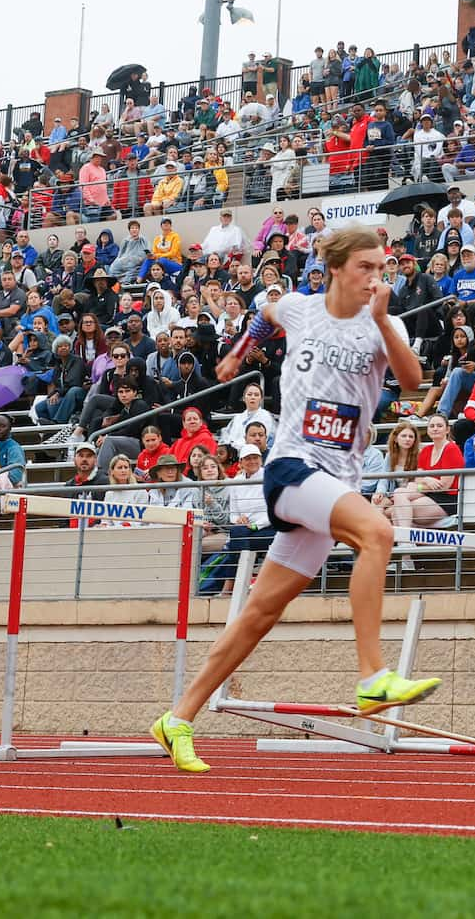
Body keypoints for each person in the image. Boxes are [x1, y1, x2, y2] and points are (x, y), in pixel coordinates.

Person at [150, 226, 435, 772]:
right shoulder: (302, 308)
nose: (377, 278)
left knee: (260, 611)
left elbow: (414, 381)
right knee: (377, 532)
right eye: (366, 268)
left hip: (336, 482)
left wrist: (379, 320)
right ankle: (373, 676)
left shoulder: (385, 325)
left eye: (383, 268)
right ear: (335, 269)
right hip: (289, 468)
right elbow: (266, 311)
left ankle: (178, 717)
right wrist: (236, 353)